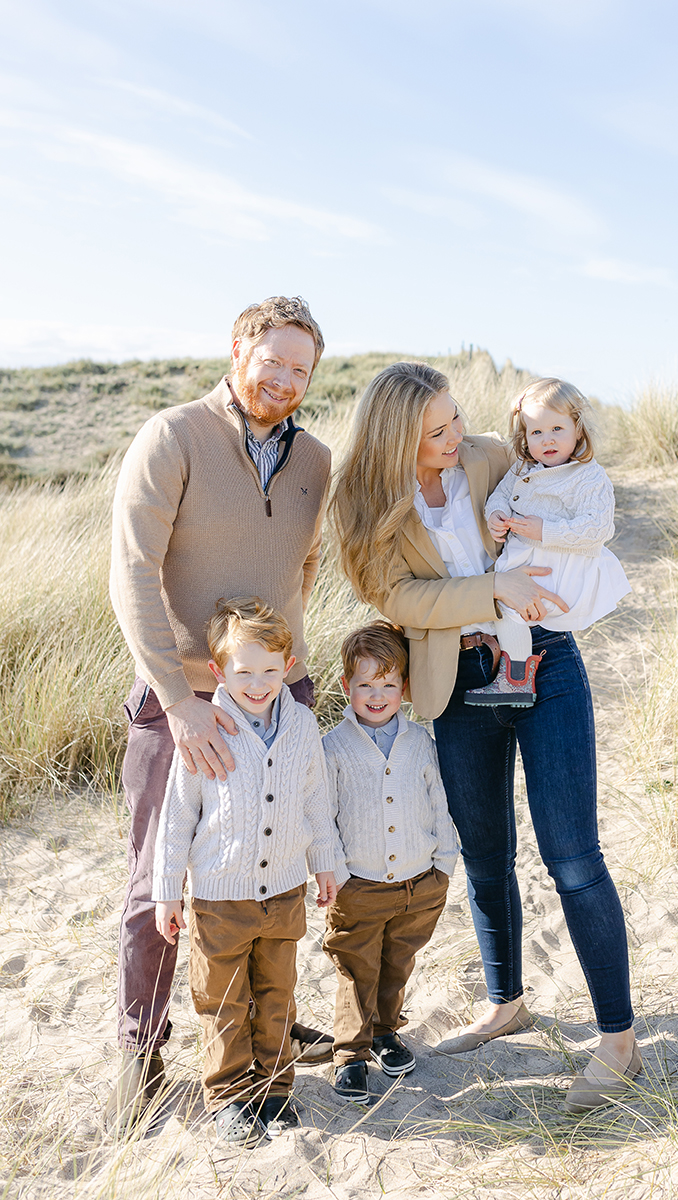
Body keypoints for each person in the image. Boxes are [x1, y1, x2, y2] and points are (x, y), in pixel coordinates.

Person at [329, 361, 640, 1114]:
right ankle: (507, 1005)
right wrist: (492, 587)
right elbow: (396, 595)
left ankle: (619, 1040)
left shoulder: (495, 454)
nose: (456, 437)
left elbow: (574, 494)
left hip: (542, 659)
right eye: (436, 433)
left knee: (572, 853)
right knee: (484, 854)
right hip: (456, 680)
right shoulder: (368, 502)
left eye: (457, 419)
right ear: (396, 438)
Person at [108, 296, 334, 1131]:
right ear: (237, 349)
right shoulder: (173, 436)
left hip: (280, 693)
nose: (282, 379)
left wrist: (280, 674)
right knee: (159, 881)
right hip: (186, 702)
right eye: (270, 360)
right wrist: (182, 701)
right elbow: (130, 575)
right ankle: (141, 1052)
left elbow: (302, 573)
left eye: (300, 369)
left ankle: (261, 1026)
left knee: (273, 866)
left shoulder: (315, 458)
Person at [153, 598, 347, 1145]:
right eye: (244, 672)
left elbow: (315, 799)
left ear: (288, 666)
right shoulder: (202, 727)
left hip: (285, 890)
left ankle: (274, 1088)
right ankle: (230, 1096)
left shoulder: (302, 723)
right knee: (224, 1001)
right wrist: (168, 892)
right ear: (218, 672)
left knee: (278, 991)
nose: (258, 683)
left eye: (270, 669)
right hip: (220, 898)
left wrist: (324, 862)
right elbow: (176, 816)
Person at [321, 621, 458, 1103]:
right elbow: (323, 817)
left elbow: (440, 803)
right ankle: (350, 1055)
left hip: (420, 883)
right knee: (356, 969)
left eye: (387, 685)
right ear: (347, 686)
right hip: (359, 885)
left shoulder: (420, 743)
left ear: (404, 687)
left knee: (397, 964)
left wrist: (444, 864)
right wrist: (338, 876)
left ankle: (384, 1032)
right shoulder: (332, 748)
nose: (376, 695)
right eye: (365, 684)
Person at [464, 377, 631, 705]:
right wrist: (495, 516)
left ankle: (515, 680)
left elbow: (597, 529)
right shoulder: (523, 469)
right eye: (536, 432)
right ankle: (515, 675)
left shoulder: (588, 476)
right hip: (524, 562)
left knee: (509, 606)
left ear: (578, 429)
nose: (547, 440)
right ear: (524, 436)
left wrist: (544, 530)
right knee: (503, 606)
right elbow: (500, 497)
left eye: (557, 429)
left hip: (559, 566)